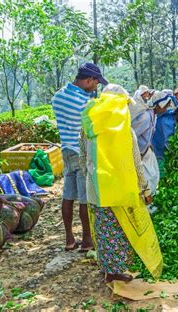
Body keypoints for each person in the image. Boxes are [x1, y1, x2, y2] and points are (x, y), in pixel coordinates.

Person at [80, 84, 162, 283]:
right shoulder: (126, 131)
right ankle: (114, 273)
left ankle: (108, 269)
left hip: (97, 189)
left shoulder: (88, 127)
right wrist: (145, 189)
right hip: (121, 191)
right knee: (119, 230)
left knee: (103, 229)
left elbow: (83, 158)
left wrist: (90, 180)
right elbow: (136, 164)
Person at [51, 62, 108, 252]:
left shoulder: (58, 97)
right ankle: (87, 240)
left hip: (66, 150)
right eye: (95, 83)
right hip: (81, 152)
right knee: (85, 198)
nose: (96, 87)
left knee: (68, 195)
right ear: (88, 80)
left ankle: (69, 239)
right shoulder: (86, 102)